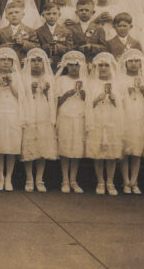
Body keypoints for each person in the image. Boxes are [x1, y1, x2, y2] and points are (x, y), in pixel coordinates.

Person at [85, 52, 125, 195]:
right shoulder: (91, 83)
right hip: (97, 119)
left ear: (111, 67)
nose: (103, 68)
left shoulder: (118, 83)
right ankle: (100, 181)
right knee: (98, 152)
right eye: (100, 65)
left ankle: (110, 181)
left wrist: (114, 100)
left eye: (106, 65)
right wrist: (96, 100)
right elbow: (87, 104)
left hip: (112, 120)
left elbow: (122, 104)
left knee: (111, 153)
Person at [21, 48, 58, 193]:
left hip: (43, 113)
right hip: (30, 113)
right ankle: (29, 178)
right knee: (30, 144)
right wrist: (30, 90)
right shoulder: (24, 79)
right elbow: (21, 98)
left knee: (42, 145)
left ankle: (39, 179)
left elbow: (52, 100)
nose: (36, 64)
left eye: (39, 61)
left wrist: (47, 91)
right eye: (33, 61)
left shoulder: (49, 79)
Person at [0, 48, 23, 191]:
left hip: (13, 112)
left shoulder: (17, 76)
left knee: (11, 146)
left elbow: (20, 97)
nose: (6, 62)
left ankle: (9, 177)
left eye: (9, 60)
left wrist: (11, 84)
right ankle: (0, 177)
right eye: (3, 60)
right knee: (1, 146)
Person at [55, 51, 87, 193]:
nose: (74, 68)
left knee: (77, 148)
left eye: (77, 65)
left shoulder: (86, 80)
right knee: (65, 147)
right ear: (67, 66)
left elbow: (89, 101)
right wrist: (66, 95)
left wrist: (84, 95)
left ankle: (74, 180)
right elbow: (57, 102)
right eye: (71, 65)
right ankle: (65, 180)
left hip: (80, 115)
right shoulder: (61, 80)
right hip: (66, 115)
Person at [118, 49, 144, 194]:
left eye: (137, 61)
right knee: (125, 148)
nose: (134, 64)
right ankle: (125, 181)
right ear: (125, 63)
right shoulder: (120, 78)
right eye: (131, 61)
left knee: (136, 149)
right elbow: (116, 97)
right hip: (125, 115)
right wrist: (126, 92)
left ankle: (134, 181)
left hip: (139, 115)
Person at [36, 3, 73, 69]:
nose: (51, 16)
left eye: (54, 13)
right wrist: (47, 47)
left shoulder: (66, 31)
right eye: (48, 14)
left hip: (61, 64)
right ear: (43, 15)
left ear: (59, 15)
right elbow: (37, 48)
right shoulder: (38, 31)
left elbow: (70, 49)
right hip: (44, 64)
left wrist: (57, 47)